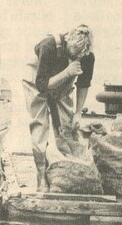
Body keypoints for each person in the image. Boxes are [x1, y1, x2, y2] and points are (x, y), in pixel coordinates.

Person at [22, 25, 95, 192]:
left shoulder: (87, 56)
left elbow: (84, 84)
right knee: (40, 126)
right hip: (36, 81)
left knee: (67, 125)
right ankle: (41, 176)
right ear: (67, 40)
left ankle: (70, 172)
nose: (77, 58)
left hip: (62, 82)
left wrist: (78, 113)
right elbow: (42, 85)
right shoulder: (48, 45)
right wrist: (68, 72)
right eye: (73, 54)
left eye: (80, 56)